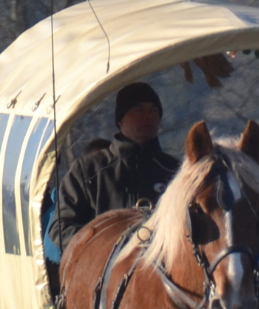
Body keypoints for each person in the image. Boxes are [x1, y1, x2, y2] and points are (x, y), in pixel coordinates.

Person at [49, 82, 180, 258]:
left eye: (154, 110)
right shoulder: (88, 170)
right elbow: (61, 228)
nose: (149, 116)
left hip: (164, 275)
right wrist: (107, 245)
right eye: (139, 110)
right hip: (103, 276)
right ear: (120, 120)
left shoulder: (175, 171)